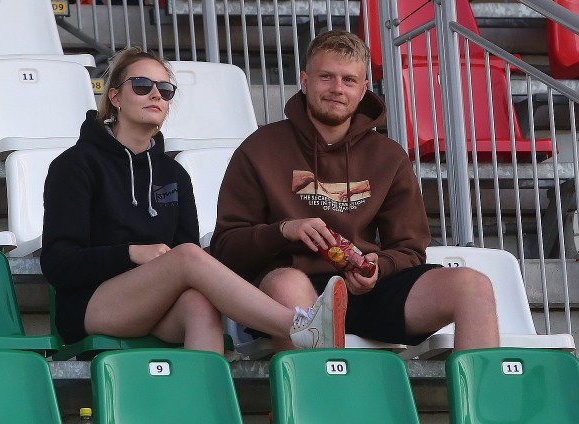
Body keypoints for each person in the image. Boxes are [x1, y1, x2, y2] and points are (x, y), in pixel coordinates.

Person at [40, 46, 347, 354]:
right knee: (187, 255)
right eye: (142, 85)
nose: (156, 95)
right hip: (90, 304)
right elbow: (58, 263)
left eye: (165, 90)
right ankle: (295, 325)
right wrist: (131, 253)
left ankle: (207, 386)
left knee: (200, 302)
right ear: (115, 97)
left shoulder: (174, 173)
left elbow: (184, 255)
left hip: (156, 301)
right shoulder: (75, 165)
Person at [210, 30, 500, 352]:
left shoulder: (388, 156)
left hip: (368, 289)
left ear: (363, 90)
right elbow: (225, 248)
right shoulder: (260, 148)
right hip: (291, 285)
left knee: (472, 285)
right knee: (288, 284)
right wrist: (283, 231)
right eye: (326, 77)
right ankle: (316, 385)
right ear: (304, 81)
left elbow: (409, 249)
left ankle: (483, 387)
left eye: (349, 80)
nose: (337, 88)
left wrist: (378, 266)